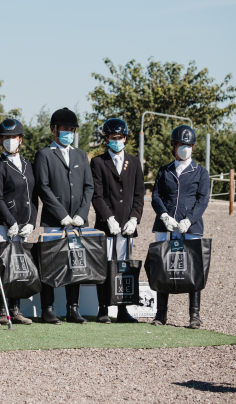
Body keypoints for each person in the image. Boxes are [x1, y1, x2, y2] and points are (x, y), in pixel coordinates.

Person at [33, 107, 94, 324]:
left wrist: (81, 214)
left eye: (72, 129)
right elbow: (43, 187)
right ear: (54, 130)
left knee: (74, 263)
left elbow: (89, 186)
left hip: (77, 221)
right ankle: (47, 308)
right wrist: (62, 215)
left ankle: (72, 308)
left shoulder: (81, 154)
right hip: (54, 221)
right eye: (65, 129)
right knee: (51, 263)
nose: (69, 133)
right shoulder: (44, 154)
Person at [151, 125, 210, 329]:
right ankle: (161, 314)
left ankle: (194, 315)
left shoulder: (201, 172)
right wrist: (164, 215)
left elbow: (202, 200)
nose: (184, 148)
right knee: (162, 266)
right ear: (173, 146)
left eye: (188, 145)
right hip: (165, 225)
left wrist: (189, 219)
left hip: (190, 227)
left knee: (194, 268)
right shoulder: (164, 170)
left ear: (193, 147)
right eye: (180, 145)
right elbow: (156, 196)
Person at [90, 118, 145, 323]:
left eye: (120, 138)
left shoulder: (134, 162)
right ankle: (103, 308)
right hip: (108, 224)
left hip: (127, 225)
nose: (116, 141)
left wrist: (134, 218)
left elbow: (139, 194)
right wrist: (108, 218)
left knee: (124, 266)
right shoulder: (98, 162)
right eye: (113, 138)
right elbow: (97, 195)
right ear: (107, 139)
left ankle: (123, 309)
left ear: (125, 138)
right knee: (105, 265)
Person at [0, 118, 37, 325]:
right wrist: (10, 222)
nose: (10, 141)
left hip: (23, 227)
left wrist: (32, 221)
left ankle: (15, 309)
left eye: (14, 137)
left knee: (18, 268)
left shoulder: (28, 165)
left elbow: (34, 197)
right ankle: (0, 309)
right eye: (6, 138)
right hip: (2, 226)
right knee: (2, 268)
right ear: (1, 140)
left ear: (20, 139)